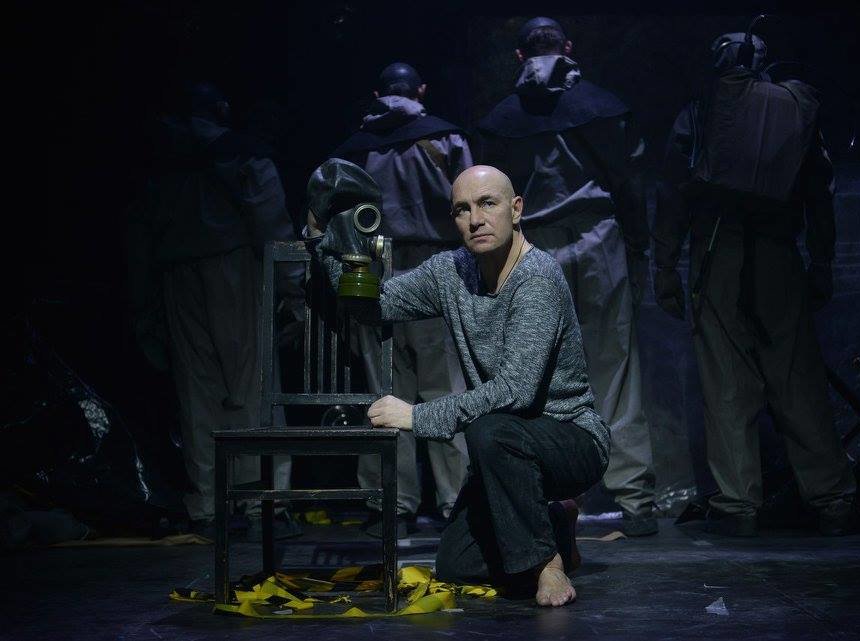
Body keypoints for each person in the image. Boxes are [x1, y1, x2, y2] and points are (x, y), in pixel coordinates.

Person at [310, 164, 608, 607]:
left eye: (487, 204)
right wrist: (324, 240)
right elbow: (374, 305)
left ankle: (547, 563)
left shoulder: (538, 278)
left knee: (490, 428)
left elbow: (515, 391)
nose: (475, 219)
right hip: (504, 450)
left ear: (516, 209)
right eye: (462, 210)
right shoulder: (452, 271)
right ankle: (554, 523)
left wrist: (416, 416)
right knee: (456, 564)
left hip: (570, 439)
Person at [652, 33, 858, 537]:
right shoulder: (792, 111)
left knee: (726, 381)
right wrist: (822, 262)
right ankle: (832, 499)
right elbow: (820, 190)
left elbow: (673, 192)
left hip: (716, 249)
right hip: (777, 253)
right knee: (797, 378)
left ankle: (738, 503)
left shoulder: (700, 111)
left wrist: (665, 266)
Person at [475, 17, 657, 535]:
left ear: (518, 56)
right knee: (616, 368)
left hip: (534, 250)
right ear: (568, 47)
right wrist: (638, 245)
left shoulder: (501, 120)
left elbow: (488, 201)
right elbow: (629, 182)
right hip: (600, 242)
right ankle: (636, 499)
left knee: (535, 378)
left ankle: (543, 499)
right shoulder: (604, 107)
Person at [127, 82, 303, 537]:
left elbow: (138, 239)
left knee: (198, 394)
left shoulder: (159, 158)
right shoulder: (241, 153)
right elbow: (270, 220)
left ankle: (210, 505)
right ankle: (265, 503)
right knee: (255, 386)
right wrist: (293, 290)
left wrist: (145, 311)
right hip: (236, 269)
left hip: (178, 276)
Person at [329, 63, 474, 535]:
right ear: (421, 91)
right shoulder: (445, 140)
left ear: (377, 94)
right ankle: (458, 501)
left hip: (375, 271)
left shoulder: (356, 150)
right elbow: (473, 203)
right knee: (445, 387)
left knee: (385, 390)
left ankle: (390, 501)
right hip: (438, 267)